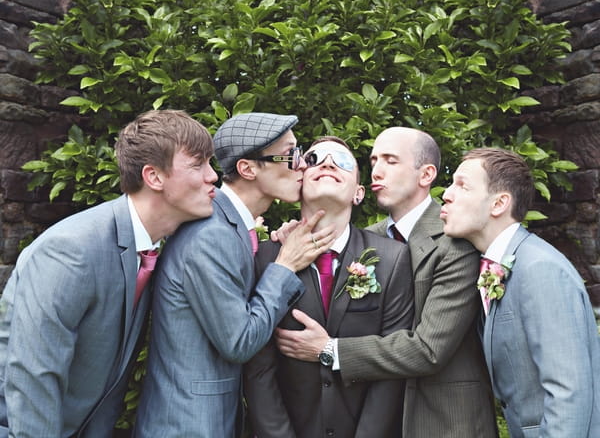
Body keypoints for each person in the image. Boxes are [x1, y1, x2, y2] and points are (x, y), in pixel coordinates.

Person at [0, 109, 217, 437]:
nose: (213, 176)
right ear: (154, 177)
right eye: (198, 164)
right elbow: (34, 377)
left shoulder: (147, 248)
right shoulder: (73, 249)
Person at [276, 127, 497, 437]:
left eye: (391, 161)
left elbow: (429, 349)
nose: (377, 170)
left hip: (444, 419)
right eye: (374, 159)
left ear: (426, 174)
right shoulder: (370, 243)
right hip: (375, 418)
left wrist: (328, 350)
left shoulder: (456, 241)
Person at [134, 112, 335, 437]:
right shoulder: (212, 234)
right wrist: (284, 265)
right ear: (248, 168)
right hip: (189, 426)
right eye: (291, 155)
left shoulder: (230, 225)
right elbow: (239, 342)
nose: (303, 166)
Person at [244, 136, 414, 437]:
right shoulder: (265, 258)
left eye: (343, 162)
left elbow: (391, 370)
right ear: (298, 183)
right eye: (314, 159)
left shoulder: (393, 258)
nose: (328, 163)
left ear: (359, 193)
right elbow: (259, 370)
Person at [440, 147, 600, 437]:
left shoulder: (539, 269)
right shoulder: (498, 265)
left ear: (499, 204)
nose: (447, 194)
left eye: (462, 185)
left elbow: (568, 392)